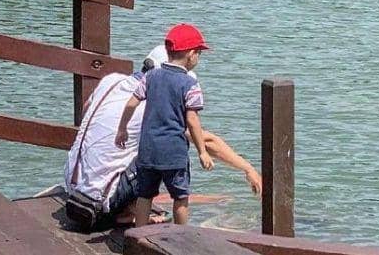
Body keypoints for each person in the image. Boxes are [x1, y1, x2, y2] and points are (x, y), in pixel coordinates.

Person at [64, 41, 261, 227]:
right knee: (167, 148)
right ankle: (127, 213)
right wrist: (247, 168)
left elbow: (87, 110)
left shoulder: (111, 81)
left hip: (72, 186)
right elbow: (205, 140)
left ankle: (130, 207)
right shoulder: (154, 104)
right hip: (99, 203)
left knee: (143, 145)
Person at [115, 24, 214, 227]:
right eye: (199, 53)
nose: (198, 58)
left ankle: (138, 237)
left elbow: (131, 102)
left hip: (148, 150)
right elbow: (192, 121)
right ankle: (181, 238)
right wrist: (202, 151)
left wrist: (122, 129)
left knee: (145, 196)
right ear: (190, 54)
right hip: (174, 153)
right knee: (180, 197)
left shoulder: (150, 76)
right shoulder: (190, 84)